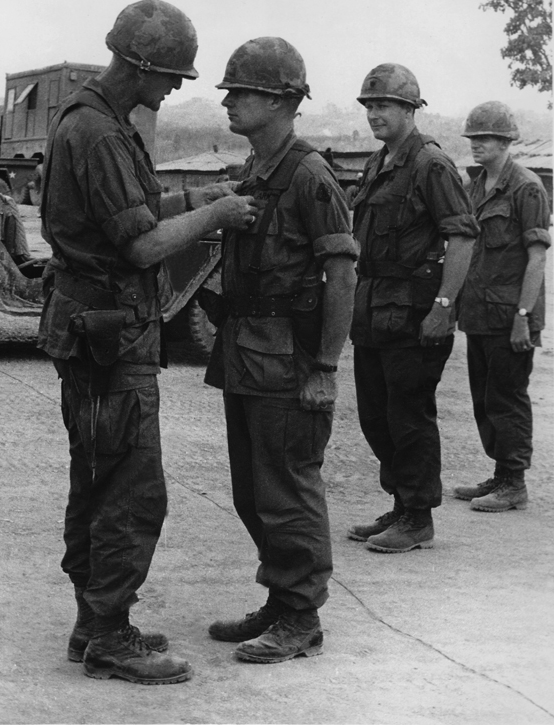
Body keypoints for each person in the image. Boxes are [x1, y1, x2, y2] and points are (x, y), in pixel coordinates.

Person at [37, 0, 256, 686]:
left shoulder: (91, 118)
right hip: (110, 334)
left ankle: (92, 622)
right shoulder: (102, 133)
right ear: (138, 65)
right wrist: (219, 213)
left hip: (94, 328)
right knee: (132, 489)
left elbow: (127, 214)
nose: (175, 87)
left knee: (98, 479)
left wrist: (194, 200)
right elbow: (137, 246)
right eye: (171, 76)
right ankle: (109, 635)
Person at [202, 37, 358, 663]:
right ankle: (280, 597)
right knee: (252, 490)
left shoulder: (309, 175)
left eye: (241, 92)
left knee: (288, 488)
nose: (229, 101)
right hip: (247, 354)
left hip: (290, 361)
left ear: (280, 101)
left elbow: (342, 276)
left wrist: (325, 367)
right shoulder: (257, 170)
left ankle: (301, 617)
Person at [347, 63, 480, 553]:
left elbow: (462, 236)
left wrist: (443, 306)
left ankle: (418, 516)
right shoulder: (377, 163)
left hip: (414, 313)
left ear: (410, 110)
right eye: (369, 106)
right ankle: (402, 504)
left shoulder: (431, 164)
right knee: (375, 416)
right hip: (374, 309)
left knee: (408, 415)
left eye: (384, 105)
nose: (374, 114)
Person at [454, 101, 550, 512]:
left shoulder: (526, 187)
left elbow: (537, 258)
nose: (476, 144)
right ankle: (500, 473)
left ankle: (514, 483)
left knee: (507, 398)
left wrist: (523, 317)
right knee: (484, 398)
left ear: (506, 141)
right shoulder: (475, 186)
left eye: (486, 138)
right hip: (480, 312)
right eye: (473, 137)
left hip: (511, 315)